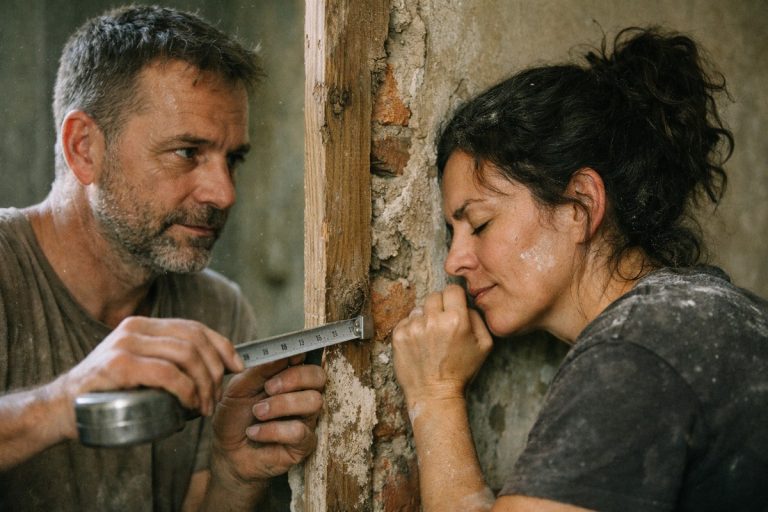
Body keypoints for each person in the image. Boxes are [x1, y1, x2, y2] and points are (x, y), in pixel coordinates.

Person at [392, 26, 768, 512]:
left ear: (580, 204)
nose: (454, 261)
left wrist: (436, 395)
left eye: (479, 224)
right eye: (451, 234)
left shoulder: (637, 351)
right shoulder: (710, 315)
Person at [0, 5, 325, 511]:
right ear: (84, 148)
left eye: (232, 159)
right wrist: (64, 402)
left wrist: (233, 474)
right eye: (187, 152)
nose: (224, 193)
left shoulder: (219, 312)